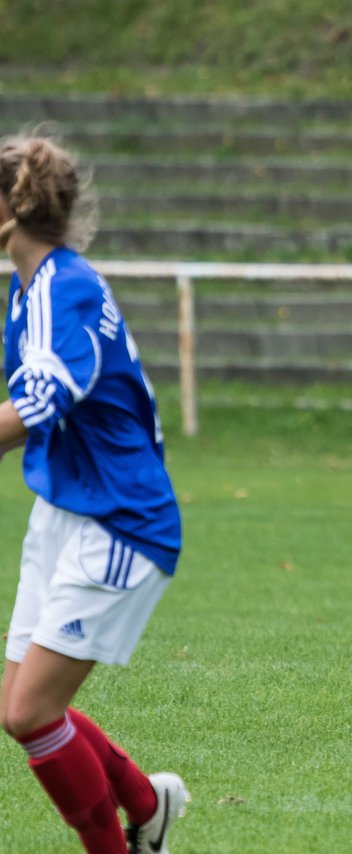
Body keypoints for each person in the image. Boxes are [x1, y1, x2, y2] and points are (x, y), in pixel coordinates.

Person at [0, 134, 189, 852]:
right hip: (65, 511)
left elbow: (46, 395)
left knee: (34, 715)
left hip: (119, 522)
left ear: (10, 212)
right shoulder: (31, 291)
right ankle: (147, 806)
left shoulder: (62, 286)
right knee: (18, 709)